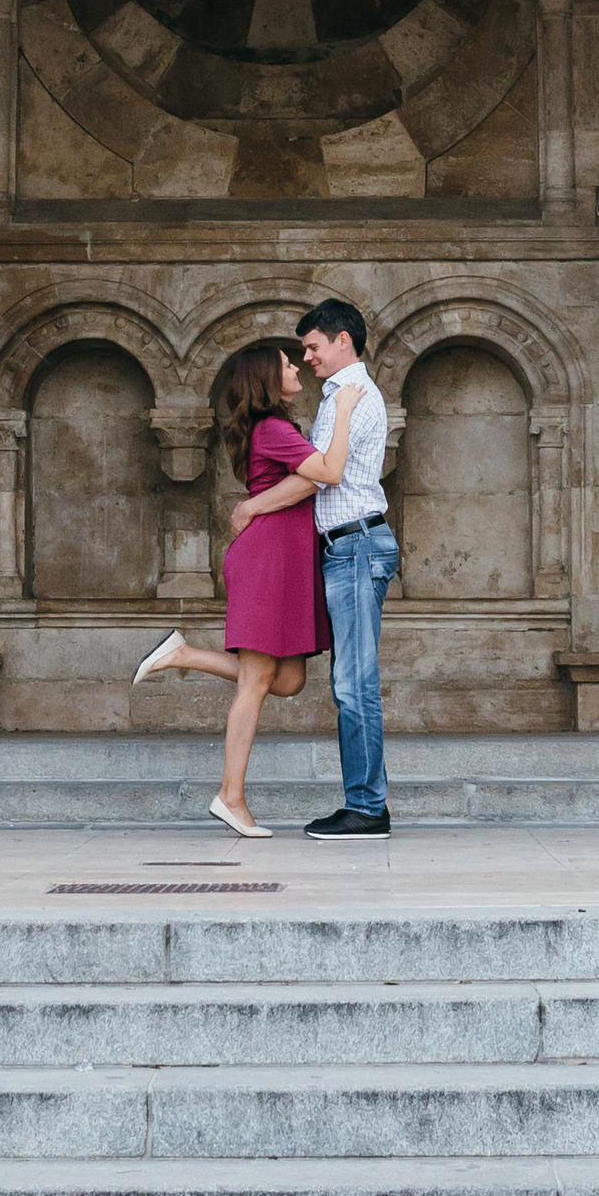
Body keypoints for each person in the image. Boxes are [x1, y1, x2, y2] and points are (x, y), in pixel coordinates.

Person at [129, 341, 329, 834]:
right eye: (286, 363)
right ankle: (230, 797)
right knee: (258, 683)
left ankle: (182, 655)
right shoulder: (275, 429)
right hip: (268, 560)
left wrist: (258, 504)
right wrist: (344, 409)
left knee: (288, 680)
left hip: (278, 560)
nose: (297, 365)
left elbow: (308, 481)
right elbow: (323, 475)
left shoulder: (273, 429)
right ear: (266, 377)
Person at [225, 297, 397, 835]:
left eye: (313, 346)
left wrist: (253, 505)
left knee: (353, 682)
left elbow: (324, 474)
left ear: (342, 340)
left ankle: (367, 808)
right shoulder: (333, 399)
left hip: (356, 544)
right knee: (324, 678)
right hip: (343, 547)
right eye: (299, 352)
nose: (307, 357)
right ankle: (365, 804)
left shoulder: (353, 397)